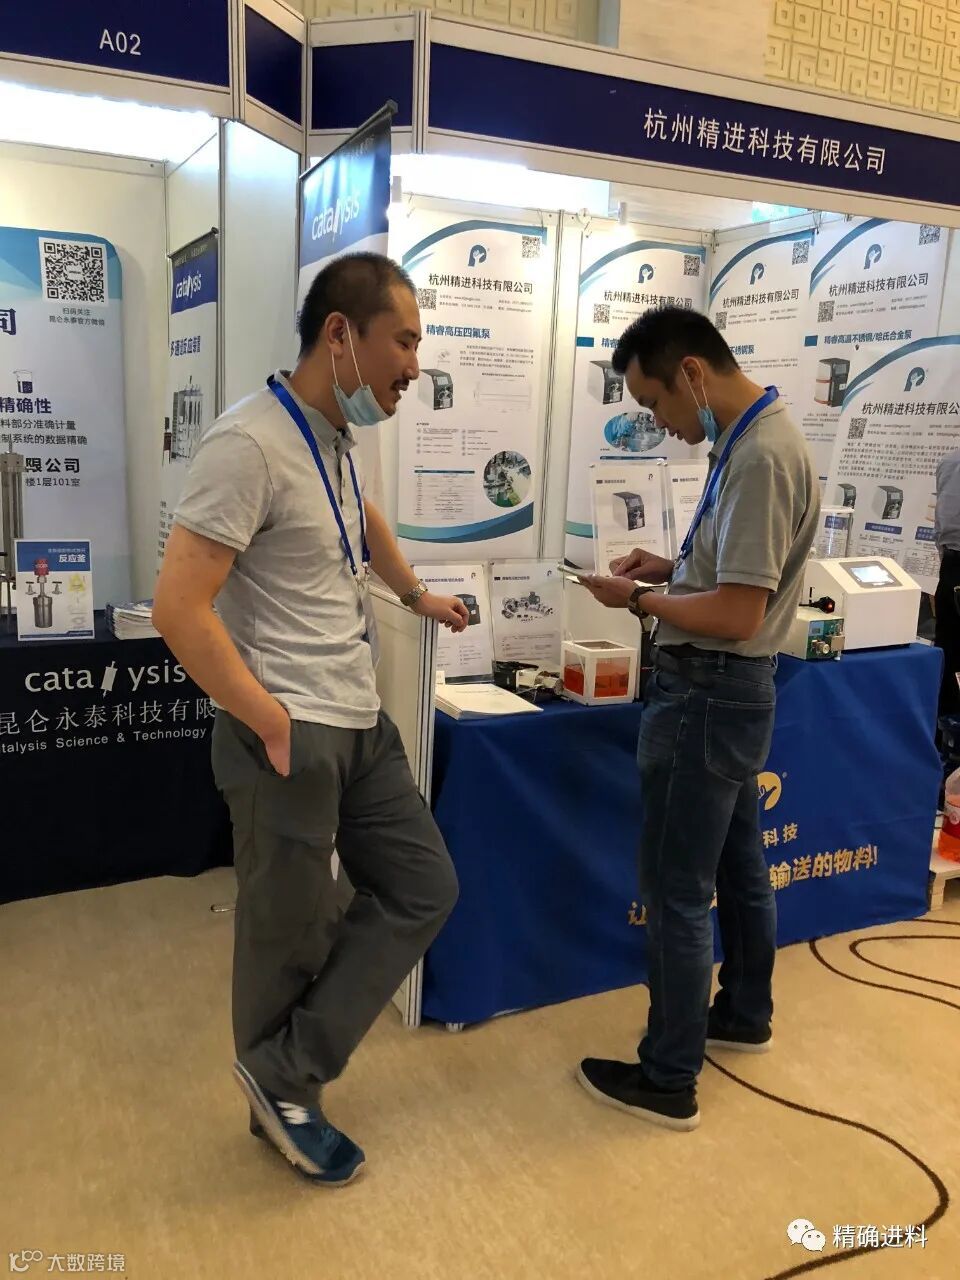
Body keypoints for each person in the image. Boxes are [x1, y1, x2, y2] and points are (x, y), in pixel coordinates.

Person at [153, 252, 467, 1186]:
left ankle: (283, 1074)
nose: (414, 365)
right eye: (403, 341)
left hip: (359, 718)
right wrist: (267, 718)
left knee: (423, 886)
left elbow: (360, 520)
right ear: (340, 335)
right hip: (288, 725)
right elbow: (178, 608)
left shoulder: (331, 437)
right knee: (285, 936)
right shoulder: (247, 444)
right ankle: (286, 1098)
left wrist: (414, 594)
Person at [574, 307, 819, 1132]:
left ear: (691, 374)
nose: (658, 424)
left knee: (677, 891)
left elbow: (739, 613)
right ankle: (744, 1011)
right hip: (727, 696)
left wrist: (640, 601)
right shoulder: (750, 440)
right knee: (739, 862)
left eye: (655, 404)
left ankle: (668, 1076)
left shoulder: (762, 456)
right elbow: (730, 578)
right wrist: (670, 569)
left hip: (707, 694)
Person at [934, 447, 960, 718]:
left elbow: (941, 527)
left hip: (952, 564)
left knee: (948, 650)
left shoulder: (951, 460)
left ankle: (943, 728)